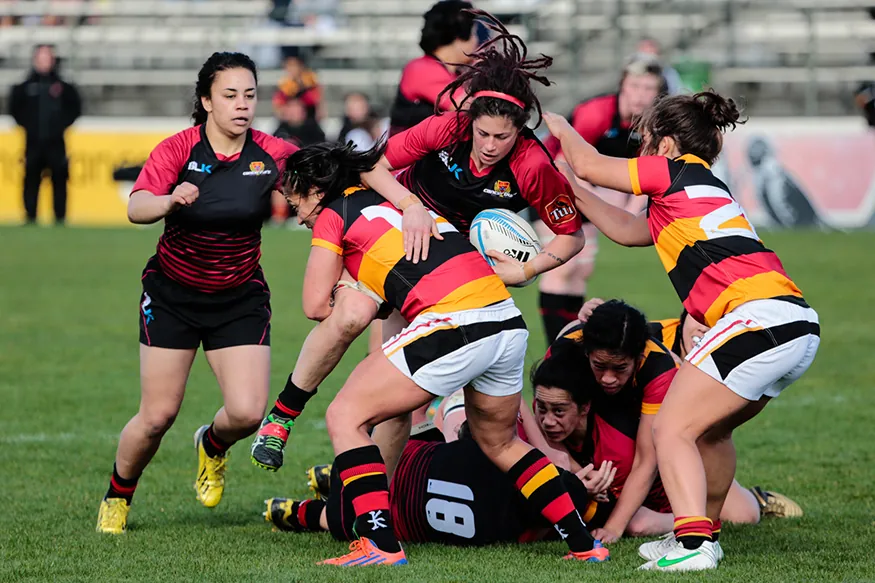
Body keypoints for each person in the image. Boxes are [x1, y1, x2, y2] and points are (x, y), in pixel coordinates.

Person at [250, 12, 586, 476]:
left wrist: (528, 270)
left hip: (450, 265)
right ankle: (281, 418)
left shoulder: (533, 165)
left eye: (502, 137)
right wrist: (411, 206)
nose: (488, 145)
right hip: (394, 231)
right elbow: (370, 163)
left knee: (393, 394)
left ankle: (380, 497)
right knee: (349, 315)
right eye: (482, 133)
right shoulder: (448, 127)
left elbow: (571, 237)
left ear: (521, 130)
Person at [277, 141, 608, 566]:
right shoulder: (401, 200)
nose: (295, 211)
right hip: (506, 319)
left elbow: (312, 306)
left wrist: (349, 289)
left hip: (454, 321)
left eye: (295, 199)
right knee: (501, 442)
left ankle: (381, 544)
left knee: (345, 416)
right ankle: (584, 545)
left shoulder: (333, 214)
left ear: (316, 189)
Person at [545, 90, 820, 571]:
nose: (639, 151)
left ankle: (693, 546)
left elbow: (588, 163)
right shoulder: (698, 185)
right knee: (709, 432)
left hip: (753, 319)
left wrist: (559, 128)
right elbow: (629, 231)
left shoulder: (670, 169)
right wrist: (569, 194)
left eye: (644, 140)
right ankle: (700, 533)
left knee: (672, 427)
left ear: (666, 144)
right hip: (793, 324)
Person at [95, 52, 299, 535]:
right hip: (173, 297)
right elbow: (137, 206)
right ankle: (117, 496)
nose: (242, 105)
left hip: (239, 296)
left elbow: (329, 175)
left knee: (249, 412)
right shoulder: (178, 149)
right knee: (157, 415)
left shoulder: (271, 152)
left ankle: (211, 443)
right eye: (230, 95)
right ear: (206, 101)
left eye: (249, 95)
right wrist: (168, 199)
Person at [263, 417, 616, 547]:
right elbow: (545, 521)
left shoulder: (504, 457)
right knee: (337, 521)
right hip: (384, 505)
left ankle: (328, 479)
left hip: (379, 461)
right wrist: (583, 494)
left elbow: (473, 437)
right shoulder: (509, 533)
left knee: (427, 425)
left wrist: (565, 473)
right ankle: (298, 512)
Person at [536, 55, 664, 344]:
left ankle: (571, 344)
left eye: (649, 88)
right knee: (564, 264)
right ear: (622, 86)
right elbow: (563, 166)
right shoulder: (596, 114)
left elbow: (641, 177)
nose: (641, 95)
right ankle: (554, 350)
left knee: (582, 268)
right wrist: (601, 207)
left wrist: (628, 218)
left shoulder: (651, 126)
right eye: (635, 86)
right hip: (551, 180)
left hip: (588, 191)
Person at [9, 44, 81, 225]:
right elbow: (15, 109)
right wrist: (29, 126)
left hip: (56, 143)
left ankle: (60, 218)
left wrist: (60, 126)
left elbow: (75, 108)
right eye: (41, 57)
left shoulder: (63, 86)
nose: (44, 61)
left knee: (59, 179)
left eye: (47, 57)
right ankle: (30, 216)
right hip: (33, 143)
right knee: (31, 180)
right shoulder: (25, 86)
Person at [388, 0, 478, 136]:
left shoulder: (454, 73)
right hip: (413, 156)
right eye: (473, 33)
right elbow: (473, 108)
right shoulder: (421, 69)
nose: (476, 41)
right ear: (458, 38)